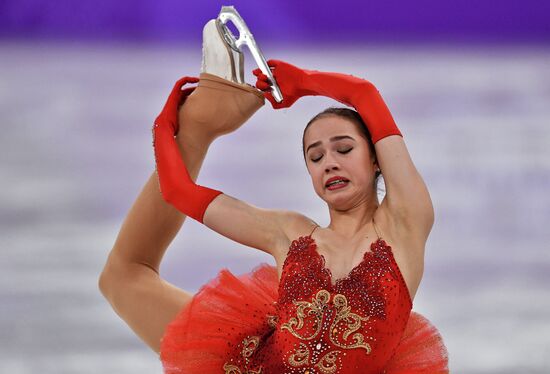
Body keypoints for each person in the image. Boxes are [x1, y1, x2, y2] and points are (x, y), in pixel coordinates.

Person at [99, 18, 449, 374]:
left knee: (123, 275)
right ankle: (203, 122)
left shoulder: (405, 221)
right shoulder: (290, 233)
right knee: (123, 277)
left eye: (343, 149)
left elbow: (364, 94)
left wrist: (304, 82)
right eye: (316, 157)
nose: (329, 163)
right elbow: (179, 192)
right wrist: (171, 127)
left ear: (376, 160)